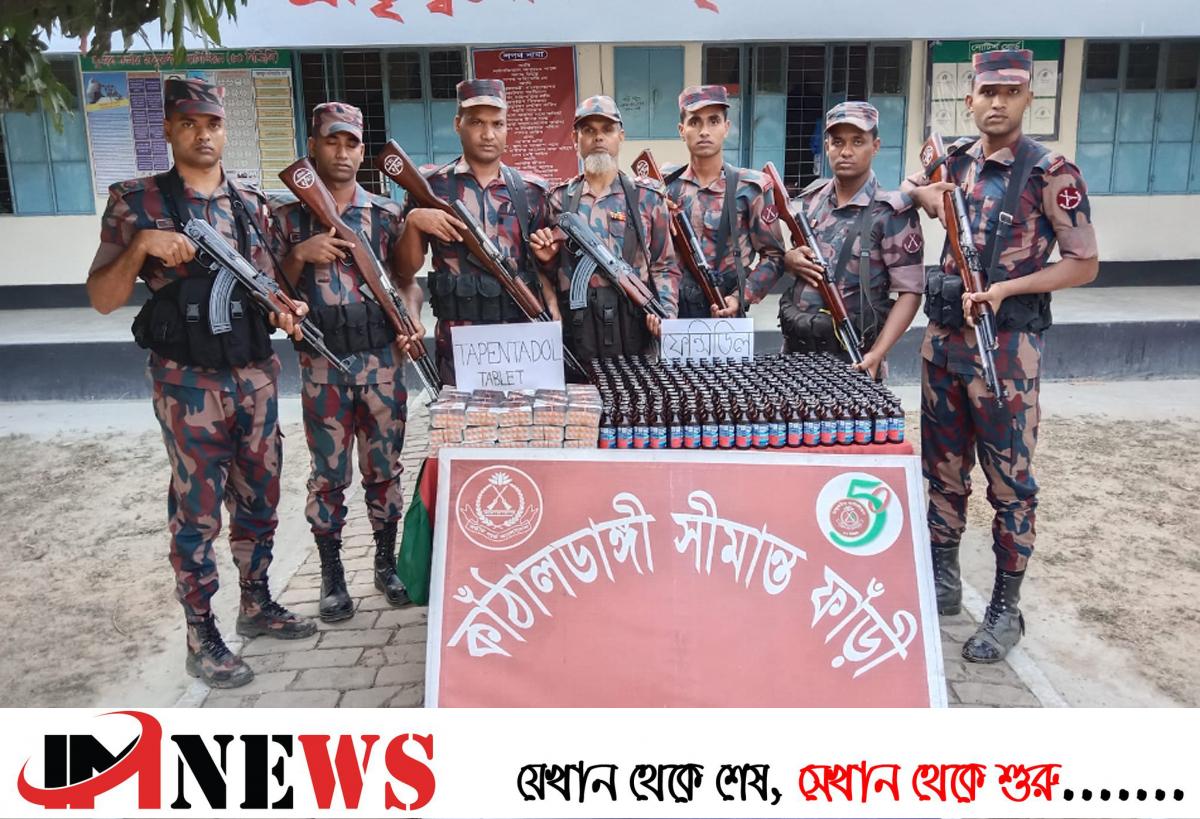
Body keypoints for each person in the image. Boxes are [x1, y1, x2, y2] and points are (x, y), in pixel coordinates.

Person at [85, 77, 315, 689]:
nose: (203, 134)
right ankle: (201, 634)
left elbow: (270, 285)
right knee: (197, 514)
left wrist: (288, 308)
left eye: (212, 123)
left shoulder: (250, 202)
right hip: (188, 386)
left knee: (261, 498)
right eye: (188, 123)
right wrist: (141, 246)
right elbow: (103, 297)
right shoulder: (136, 202)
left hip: (255, 378)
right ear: (168, 128)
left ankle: (257, 602)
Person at [903, 49, 1099, 662]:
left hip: (1006, 357)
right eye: (987, 92)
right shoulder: (955, 160)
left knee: (1010, 484)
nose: (997, 103)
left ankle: (1006, 610)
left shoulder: (1050, 173)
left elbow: (1083, 263)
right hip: (943, 345)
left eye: (1010, 93)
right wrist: (925, 195)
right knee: (942, 473)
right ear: (969, 100)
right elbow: (908, 188)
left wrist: (1009, 289)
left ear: (1027, 99)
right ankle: (942, 583)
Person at [274, 102, 423, 621]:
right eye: (332, 141)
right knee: (328, 476)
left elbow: (406, 282)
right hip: (324, 367)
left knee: (384, 471)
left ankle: (385, 564)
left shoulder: (385, 214)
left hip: (382, 363)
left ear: (362, 151)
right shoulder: (287, 217)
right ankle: (332, 576)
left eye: (352, 143)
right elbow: (269, 288)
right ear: (312, 146)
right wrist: (300, 254)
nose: (342, 152)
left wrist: (412, 317)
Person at [746, 101, 925, 381]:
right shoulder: (811, 200)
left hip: (855, 358)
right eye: (838, 142)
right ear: (827, 146)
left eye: (858, 141)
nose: (846, 151)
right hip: (797, 353)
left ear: (875, 146)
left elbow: (910, 293)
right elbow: (797, 255)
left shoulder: (891, 212)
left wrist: (877, 353)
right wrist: (790, 260)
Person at [395, 79, 557, 384]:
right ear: (458, 124)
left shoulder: (531, 191)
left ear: (507, 128)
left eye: (497, 124)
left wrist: (548, 264)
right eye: (476, 122)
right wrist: (415, 221)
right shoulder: (430, 187)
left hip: (521, 345)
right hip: (459, 348)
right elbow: (404, 270)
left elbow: (546, 268)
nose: (488, 134)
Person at [532, 95, 679, 365]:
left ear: (621, 136)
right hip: (578, 330)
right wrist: (547, 259)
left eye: (607, 129)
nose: (598, 137)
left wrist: (666, 314)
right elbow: (549, 271)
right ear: (575, 139)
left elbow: (665, 265)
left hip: (633, 325)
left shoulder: (647, 198)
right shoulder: (558, 200)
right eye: (588, 130)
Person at [662, 85, 785, 320]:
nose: (704, 131)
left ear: (726, 128)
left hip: (727, 311)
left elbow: (774, 256)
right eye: (695, 122)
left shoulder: (749, 189)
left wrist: (741, 296)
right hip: (675, 312)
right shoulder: (665, 187)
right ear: (682, 130)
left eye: (714, 121)